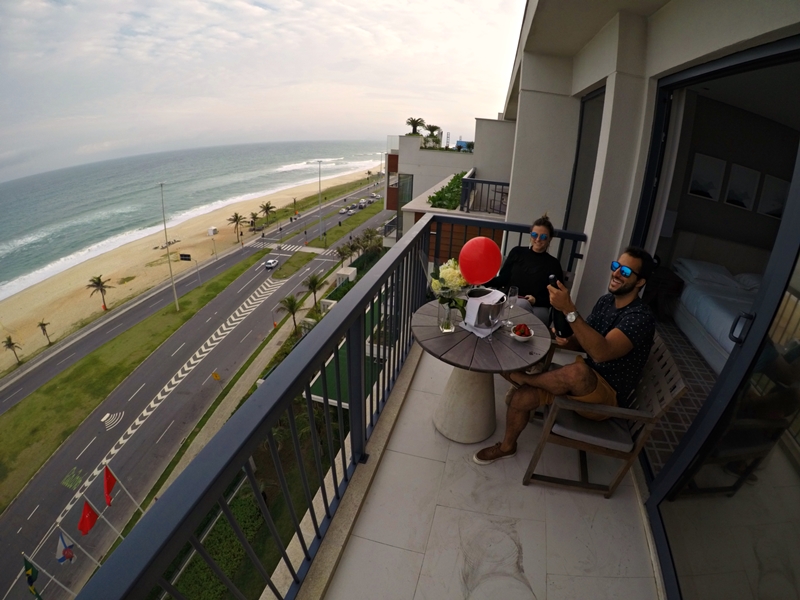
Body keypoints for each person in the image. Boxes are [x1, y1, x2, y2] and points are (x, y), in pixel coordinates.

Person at [474, 246, 656, 465]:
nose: (616, 273)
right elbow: (585, 339)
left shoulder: (639, 317)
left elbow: (601, 352)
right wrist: (568, 340)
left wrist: (569, 308)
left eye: (625, 271)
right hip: (580, 382)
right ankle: (507, 447)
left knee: (577, 371)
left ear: (640, 282)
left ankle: (523, 378)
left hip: (606, 397)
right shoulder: (606, 302)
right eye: (616, 266)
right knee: (522, 397)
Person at [487, 214, 563, 323]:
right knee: (520, 304)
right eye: (534, 235)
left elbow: (556, 295)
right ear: (530, 235)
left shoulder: (553, 264)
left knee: (522, 306)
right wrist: (483, 281)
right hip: (512, 301)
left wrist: (536, 300)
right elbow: (503, 278)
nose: (538, 239)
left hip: (538, 307)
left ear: (550, 239)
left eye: (543, 237)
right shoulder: (517, 252)